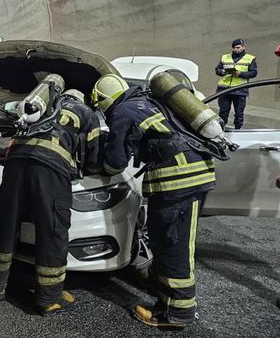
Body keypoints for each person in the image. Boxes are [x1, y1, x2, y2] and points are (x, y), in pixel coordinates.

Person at [92, 73, 216, 330]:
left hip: (177, 181)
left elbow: (114, 161)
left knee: (173, 244)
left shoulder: (122, 111)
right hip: (194, 172)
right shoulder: (146, 101)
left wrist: (100, 165)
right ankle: (167, 298)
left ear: (103, 101)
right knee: (170, 240)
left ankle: (176, 313)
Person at [0, 85, 102, 317]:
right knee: (53, 230)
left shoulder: (41, 105)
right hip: (49, 169)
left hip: (16, 162)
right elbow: (94, 158)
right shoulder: (86, 113)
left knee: (6, 224)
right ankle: (49, 299)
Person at [215, 38, 257, 129]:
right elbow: (217, 70)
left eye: (238, 47)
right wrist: (222, 71)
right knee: (223, 112)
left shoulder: (250, 58)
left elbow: (253, 73)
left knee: (239, 113)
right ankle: (221, 130)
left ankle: (238, 130)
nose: (236, 49)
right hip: (224, 89)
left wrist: (240, 74)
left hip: (240, 90)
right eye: (234, 47)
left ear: (243, 47)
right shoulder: (225, 57)